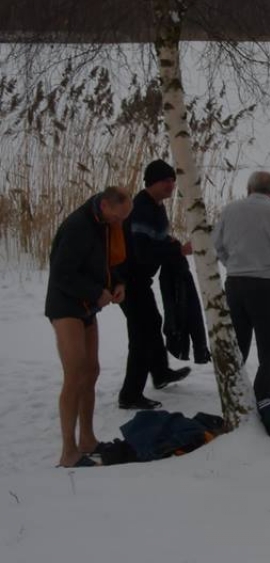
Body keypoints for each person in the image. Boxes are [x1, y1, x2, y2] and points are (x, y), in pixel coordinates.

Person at [45, 186, 132, 467]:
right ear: (105, 205)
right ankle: (69, 452)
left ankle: (87, 439)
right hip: (65, 305)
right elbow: (61, 273)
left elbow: (103, 262)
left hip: (86, 307)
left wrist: (116, 282)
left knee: (91, 370)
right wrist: (96, 292)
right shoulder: (78, 226)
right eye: (119, 217)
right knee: (75, 373)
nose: (120, 223)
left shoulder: (104, 223)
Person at [213, 171, 270, 400]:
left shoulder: (229, 211)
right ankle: (262, 397)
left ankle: (235, 398)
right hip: (268, 286)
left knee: (237, 345)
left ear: (248, 188)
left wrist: (232, 265)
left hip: (235, 283)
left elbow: (217, 245)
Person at [117, 160, 193, 410]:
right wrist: (178, 250)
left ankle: (160, 374)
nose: (171, 185)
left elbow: (157, 238)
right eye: (166, 181)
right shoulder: (141, 209)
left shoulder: (156, 206)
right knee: (142, 334)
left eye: (173, 180)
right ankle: (130, 395)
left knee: (151, 324)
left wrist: (171, 243)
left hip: (140, 281)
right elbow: (143, 252)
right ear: (152, 182)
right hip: (127, 282)